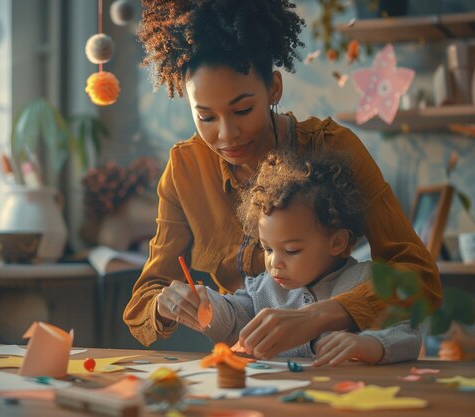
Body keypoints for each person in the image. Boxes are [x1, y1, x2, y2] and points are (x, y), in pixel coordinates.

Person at [123, 0, 441, 358]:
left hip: (340, 363)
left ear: (274, 88)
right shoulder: (185, 168)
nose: (226, 135)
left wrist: (321, 316)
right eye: (206, 117)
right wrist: (168, 303)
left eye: (242, 109)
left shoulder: (332, 147)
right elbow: (144, 302)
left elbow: (419, 276)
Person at [164, 151, 422, 364]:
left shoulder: (364, 282)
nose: (274, 262)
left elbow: (407, 336)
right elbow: (232, 320)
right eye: (267, 249)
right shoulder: (262, 288)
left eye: (292, 251)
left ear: (337, 242)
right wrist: (203, 303)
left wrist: (368, 344)